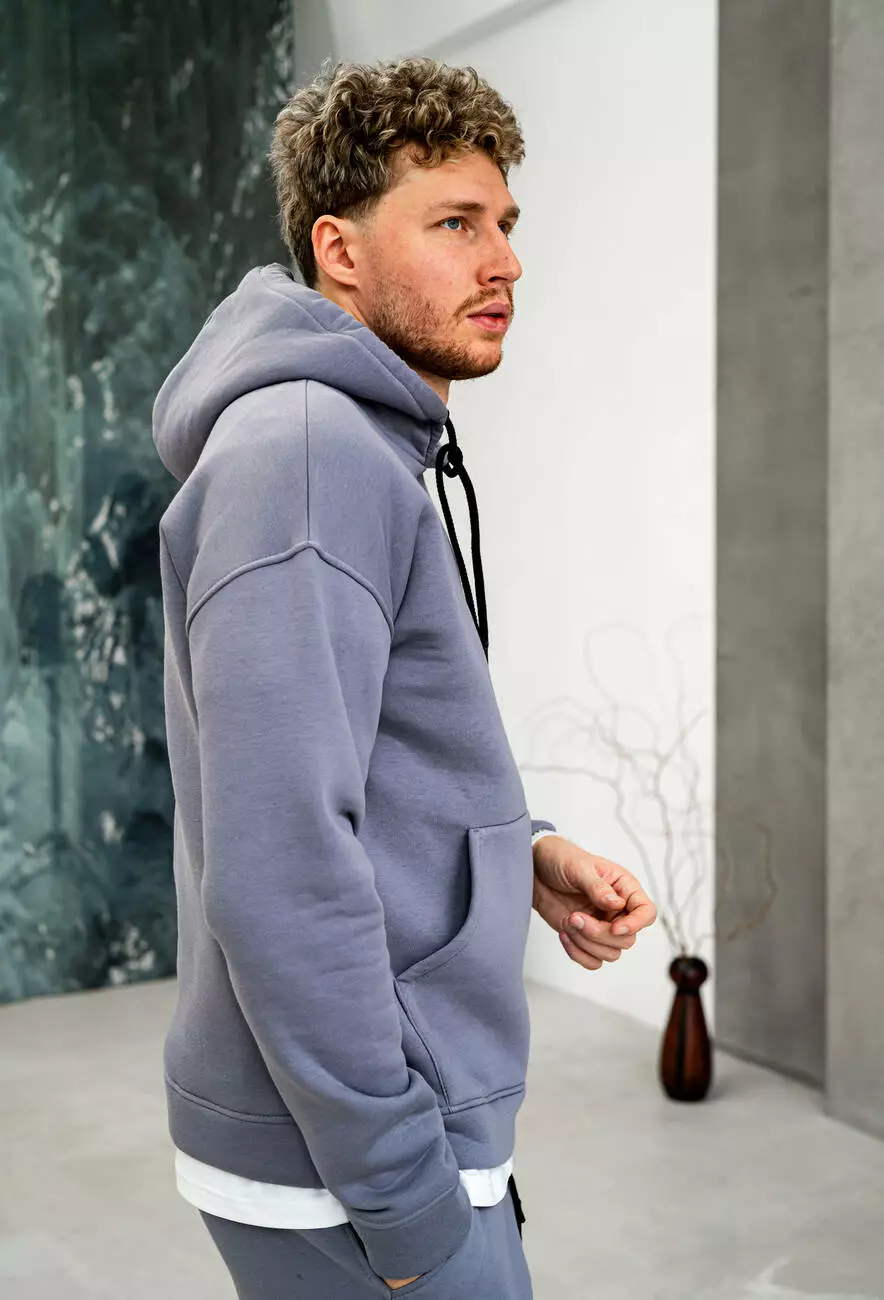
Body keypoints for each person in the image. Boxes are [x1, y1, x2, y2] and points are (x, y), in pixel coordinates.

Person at [152, 54, 656, 1299]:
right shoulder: (307, 455)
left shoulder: (357, 445)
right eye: (453, 224)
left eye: (504, 224)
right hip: (352, 1165)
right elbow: (278, 865)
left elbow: (356, 757)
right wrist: (406, 1202)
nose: (504, 262)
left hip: (377, 1129)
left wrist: (515, 852)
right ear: (338, 248)